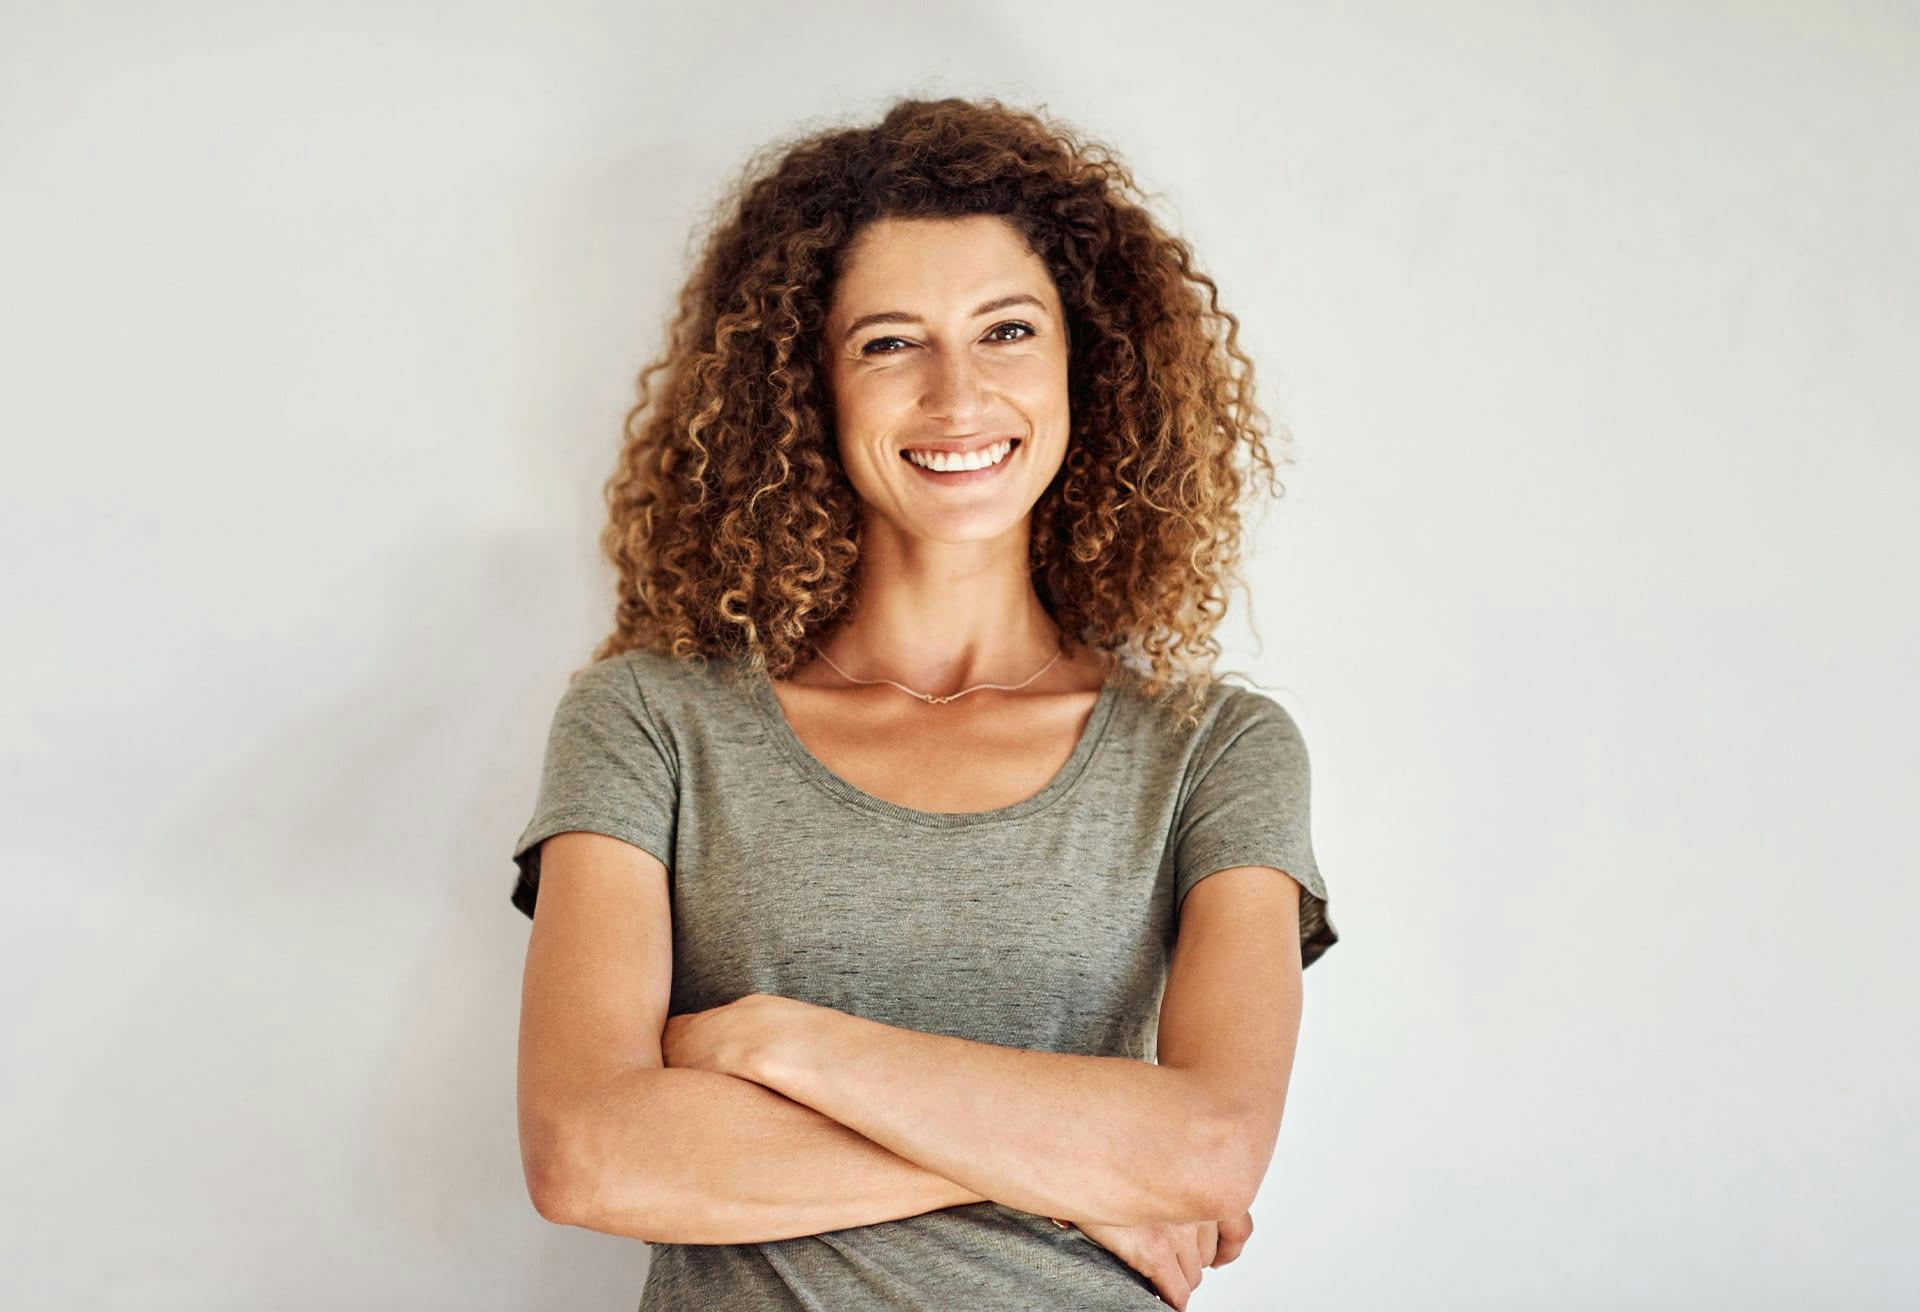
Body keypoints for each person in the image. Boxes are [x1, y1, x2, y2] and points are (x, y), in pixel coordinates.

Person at [508, 95, 1339, 1311]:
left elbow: (1210, 1149)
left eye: (1007, 330)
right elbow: (588, 1153)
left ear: (1084, 365)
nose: (957, 395)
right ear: (808, 386)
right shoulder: (649, 721)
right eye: (889, 342)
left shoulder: (1215, 752)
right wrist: (1074, 1167)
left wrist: (771, 1042)